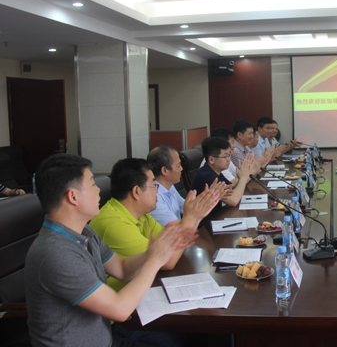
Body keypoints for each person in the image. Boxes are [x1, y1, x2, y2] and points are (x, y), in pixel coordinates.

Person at [25, 154, 197, 346]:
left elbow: (122, 268)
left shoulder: (84, 232)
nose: (99, 190)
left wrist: (153, 251)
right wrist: (155, 260)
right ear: (73, 197)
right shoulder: (56, 254)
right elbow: (119, 310)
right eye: (92, 185)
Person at [90, 158, 221, 292]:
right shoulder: (115, 224)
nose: (157, 191)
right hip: (125, 298)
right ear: (136, 191)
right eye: (154, 185)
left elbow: (172, 245)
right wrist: (191, 217)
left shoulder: (143, 215)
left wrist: (197, 215)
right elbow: (167, 261)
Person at [190, 136, 254, 219]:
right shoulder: (207, 176)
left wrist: (243, 176)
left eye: (229, 156)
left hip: (217, 217)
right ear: (211, 160)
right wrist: (243, 178)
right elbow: (233, 200)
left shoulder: (215, 171)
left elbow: (231, 189)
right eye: (225, 157)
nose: (228, 160)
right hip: (205, 223)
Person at [146, 145, 187, 226]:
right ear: (165, 171)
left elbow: (184, 207)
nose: (181, 169)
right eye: (178, 165)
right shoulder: (155, 198)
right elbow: (176, 228)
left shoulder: (170, 186)